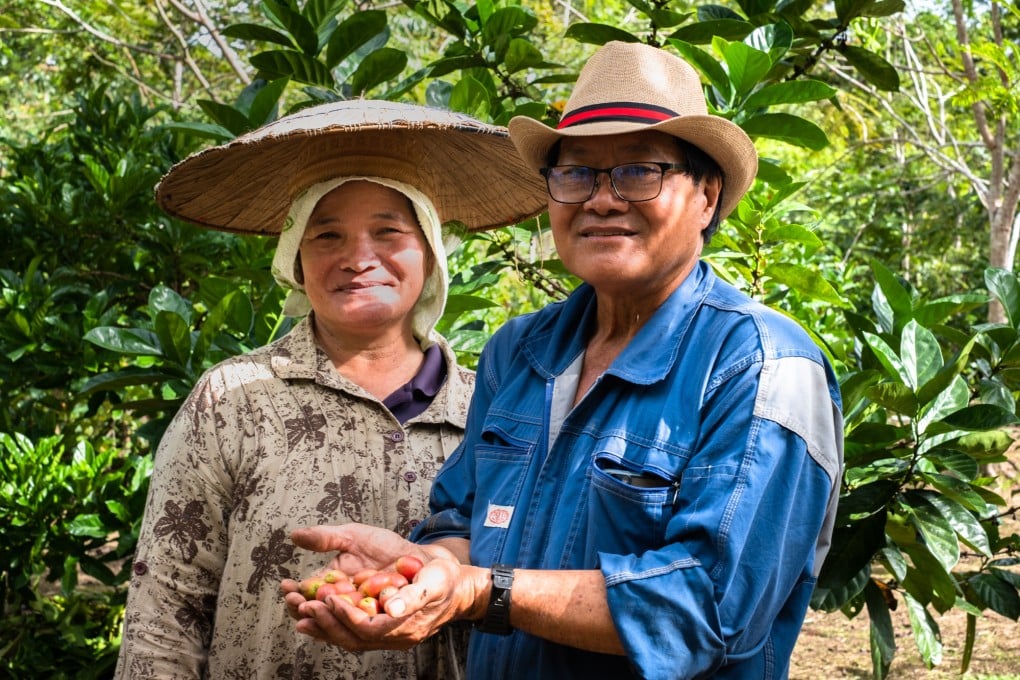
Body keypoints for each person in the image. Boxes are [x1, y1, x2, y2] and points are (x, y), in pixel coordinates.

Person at [282, 42, 844, 680]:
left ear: (707, 197)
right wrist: (428, 569)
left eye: (639, 170)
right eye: (576, 173)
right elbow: (463, 517)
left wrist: (479, 591)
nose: (601, 200)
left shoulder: (763, 369)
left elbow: (706, 607)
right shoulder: (518, 353)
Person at [113, 100, 547, 680]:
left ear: (430, 252)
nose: (358, 257)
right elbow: (166, 609)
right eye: (327, 235)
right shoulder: (236, 398)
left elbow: (517, 593)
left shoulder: (490, 411)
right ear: (295, 258)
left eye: (388, 231)